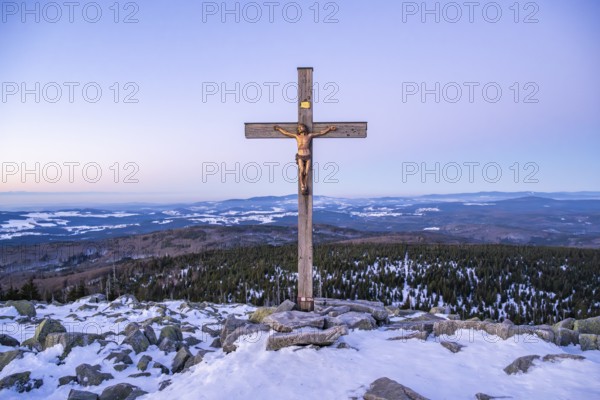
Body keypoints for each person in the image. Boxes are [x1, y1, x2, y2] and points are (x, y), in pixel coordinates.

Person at [274, 123, 337, 195]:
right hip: (300, 155)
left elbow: (320, 133)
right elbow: (286, 133)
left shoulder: (309, 136)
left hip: (307, 155)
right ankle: (302, 185)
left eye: (302, 127)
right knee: (302, 170)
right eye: (299, 127)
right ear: (298, 130)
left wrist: (329, 129)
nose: (301, 128)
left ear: (305, 128)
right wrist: (279, 129)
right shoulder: (297, 136)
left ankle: (305, 185)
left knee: (306, 172)